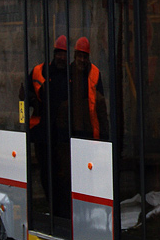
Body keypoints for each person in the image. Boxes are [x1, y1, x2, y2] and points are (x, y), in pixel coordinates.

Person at [21, 35, 72, 220]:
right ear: (54, 53)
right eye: (59, 53)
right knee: (46, 173)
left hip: (63, 136)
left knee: (63, 174)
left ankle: (63, 211)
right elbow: (23, 98)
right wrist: (32, 103)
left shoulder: (70, 76)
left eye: (64, 54)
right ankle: (53, 207)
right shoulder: (38, 72)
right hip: (42, 135)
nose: (61, 57)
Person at [69, 37, 110, 141]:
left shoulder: (95, 73)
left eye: (85, 56)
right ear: (75, 55)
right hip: (73, 130)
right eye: (80, 56)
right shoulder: (68, 72)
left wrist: (104, 134)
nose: (82, 60)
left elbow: (101, 107)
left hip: (91, 131)